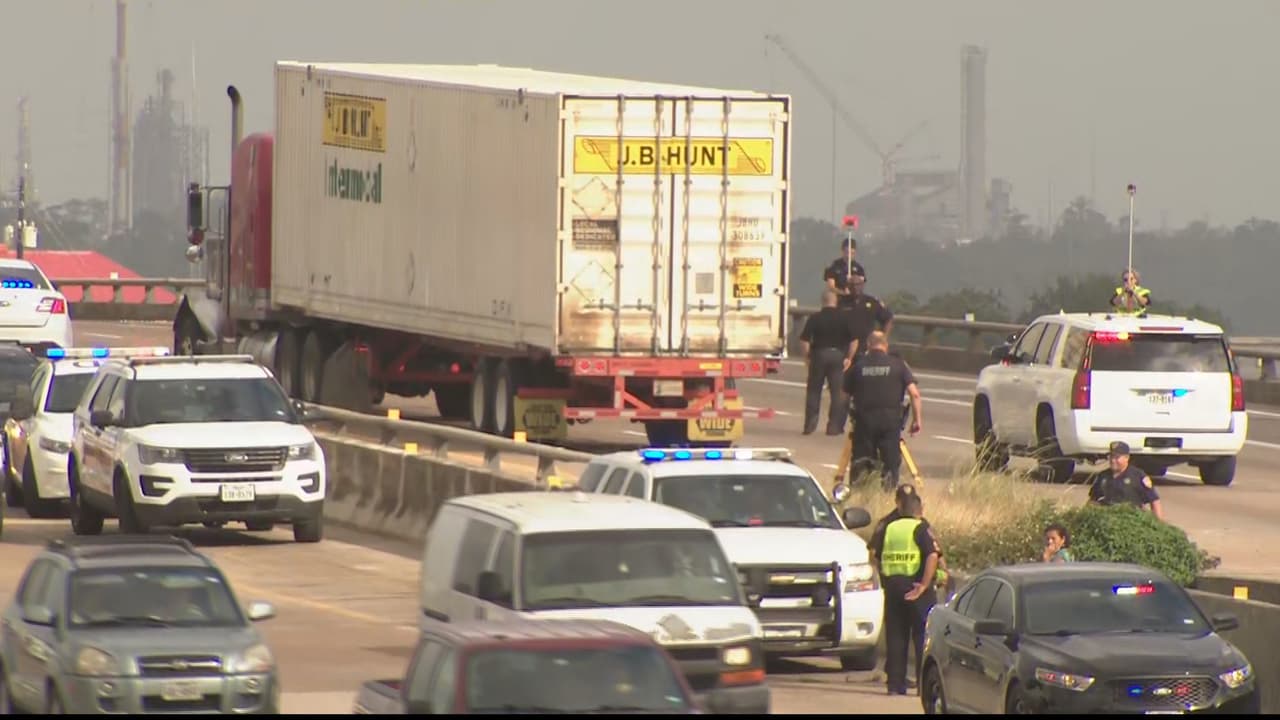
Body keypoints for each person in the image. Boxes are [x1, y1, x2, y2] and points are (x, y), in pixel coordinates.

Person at [877, 493, 938, 696]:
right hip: (916, 588)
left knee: (896, 636)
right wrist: (924, 584)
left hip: (893, 588)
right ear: (919, 511)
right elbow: (932, 555)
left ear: (900, 509)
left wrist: (885, 580)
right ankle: (923, 686)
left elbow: (876, 556)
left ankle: (895, 685)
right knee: (922, 637)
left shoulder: (889, 527)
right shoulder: (920, 528)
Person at [844, 332, 922, 490]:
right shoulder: (898, 365)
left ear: (868, 345)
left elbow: (843, 395)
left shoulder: (858, 365)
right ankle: (888, 494)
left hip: (864, 422)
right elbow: (914, 394)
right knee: (891, 463)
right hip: (890, 422)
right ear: (886, 346)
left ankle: (860, 493)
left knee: (862, 461)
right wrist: (917, 420)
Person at [799, 289, 858, 435]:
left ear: (823, 301)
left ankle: (810, 425)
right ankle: (833, 427)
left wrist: (807, 356)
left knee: (814, 391)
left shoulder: (815, 318)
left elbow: (804, 340)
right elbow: (854, 340)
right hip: (837, 356)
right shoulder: (844, 318)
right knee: (837, 393)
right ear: (836, 301)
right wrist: (849, 358)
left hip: (819, 355)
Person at [1087, 441, 1165, 521]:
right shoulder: (1103, 476)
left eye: (1117, 457)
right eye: (1111, 456)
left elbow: (1154, 501)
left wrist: (1159, 525)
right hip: (1107, 520)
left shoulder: (1138, 476)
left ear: (1127, 458)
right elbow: (1092, 500)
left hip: (1132, 520)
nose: (1113, 460)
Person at [843, 273, 895, 356]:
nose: (855, 287)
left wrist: (883, 338)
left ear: (862, 285)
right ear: (848, 286)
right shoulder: (841, 302)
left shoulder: (872, 302)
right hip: (845, 348)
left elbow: (888, 318)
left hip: (866, 348)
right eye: (852, 285)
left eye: (858, 285)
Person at [824, 237, 868, 309]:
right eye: (847, 252)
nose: (849, 255)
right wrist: (843, 293)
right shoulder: (833, 267)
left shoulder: (859, 268)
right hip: (838, 302)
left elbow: (861, 285)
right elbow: (830, 286)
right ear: (842, 251)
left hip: (854, 303)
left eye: (852, 253)